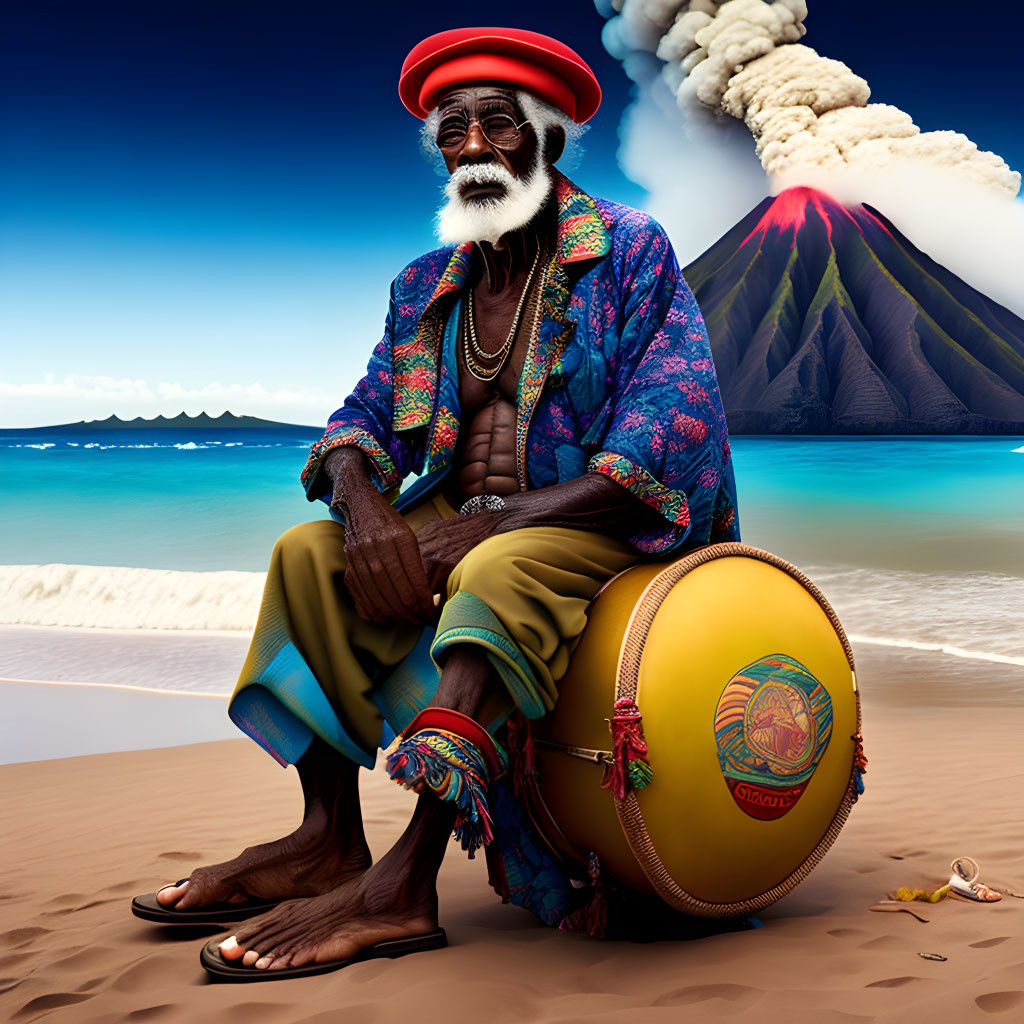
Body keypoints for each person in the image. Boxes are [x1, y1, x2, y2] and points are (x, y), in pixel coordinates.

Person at [132, 26, 740, 979]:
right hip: (465, 516)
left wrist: (492, 525)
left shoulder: (628, 250)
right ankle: (327, 836)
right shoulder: (426, 285)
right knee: (307, 551)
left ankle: (406, 881)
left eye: (495, 123)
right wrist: (363, 504)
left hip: (601, 521)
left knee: (495, 563)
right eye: (450, 130)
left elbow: (674, 428)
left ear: (548, 139)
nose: (469, 147)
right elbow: (363, 416)